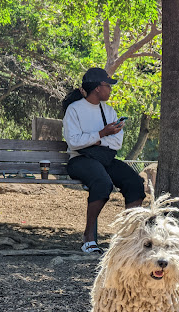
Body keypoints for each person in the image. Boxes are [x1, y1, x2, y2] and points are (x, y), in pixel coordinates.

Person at [62, 67, 145, 254]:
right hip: (80, 159)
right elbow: (74, 142)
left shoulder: (109, 111)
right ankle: (88, 237)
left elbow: (117, 142)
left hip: (105, 158)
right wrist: (102, 134)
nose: (110, 90)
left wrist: (95, 138)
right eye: (108, 86)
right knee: (102, 183)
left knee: (135, 183)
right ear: (98, 88)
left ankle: (128, 239)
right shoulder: (74, 110)